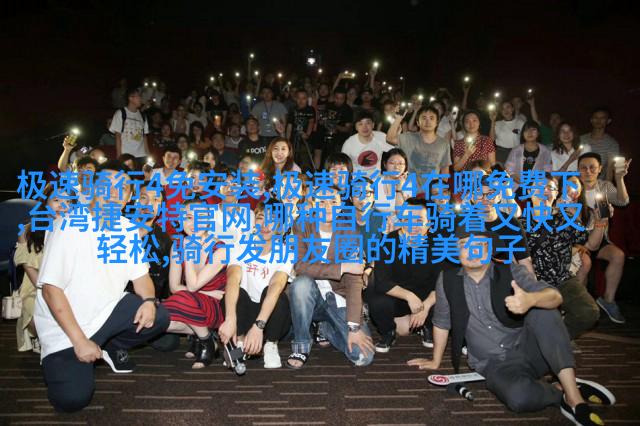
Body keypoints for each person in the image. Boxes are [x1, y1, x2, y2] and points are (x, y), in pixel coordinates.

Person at [408, 227, 615, 425]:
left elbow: (555, 296)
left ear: (489, 249)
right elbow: (442, 322)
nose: (472, 251)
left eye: (479, 244)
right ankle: (558, 390)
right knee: (519, 398)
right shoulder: (447, 280)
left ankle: (574, 397)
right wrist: (435, 360)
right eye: (464, 245)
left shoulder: (511, 271)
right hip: (493, 364)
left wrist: (531, 300)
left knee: (543, 309)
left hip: (533, 351)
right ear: (456, 251)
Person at [34, 160, 169, 412]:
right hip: (65, 328)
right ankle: (74, 351)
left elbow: (141, 278)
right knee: (72, 400)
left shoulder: (127, 230)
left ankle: (109, 344)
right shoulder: (69, 226)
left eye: (123, 188)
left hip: (106, 313)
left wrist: (150, 302)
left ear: (128, 198)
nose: (115, 193)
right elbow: (51, 290)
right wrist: (79, 341)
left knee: (160, 316)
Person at [287, 186, 375, 369]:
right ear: (313, 204)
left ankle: (326, 329)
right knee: (301, 284)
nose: (328, 207)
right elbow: (300, 266)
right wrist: (341, 268)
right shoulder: (301, 226)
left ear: (341, 205)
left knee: (363, 357)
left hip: (338, 297)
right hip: (311, 299)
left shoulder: (350, 232)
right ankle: (302, 345)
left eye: (333, 202)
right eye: (322, 202)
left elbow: (354, 280)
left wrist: (354, 327)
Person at [520, 173, 607, 339]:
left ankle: (557, 339)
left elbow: (592, 245)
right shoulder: (519, 224)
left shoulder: (566, 219)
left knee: (588, 312)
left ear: (556, 194)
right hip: (532, 282)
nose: (545, 191)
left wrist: (601, 221)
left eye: (550, 188)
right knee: (531, 322)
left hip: (562, 280)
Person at [218, 201, 293, 369]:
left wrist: (259, 326)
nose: (265, 225)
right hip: (244, 315)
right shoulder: (241, 245)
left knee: (275, 294)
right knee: (236, 293)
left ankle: (270, 344)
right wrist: (230, 319)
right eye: (260, 218)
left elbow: (276, 286)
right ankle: (239, 342)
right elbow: (232, 279)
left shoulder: (285, 252)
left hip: (270, 317)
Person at [367, 198, 440, 352]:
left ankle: (427, 326)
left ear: (429, 223)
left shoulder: (438, 244)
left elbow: (442, 282)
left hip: (427, 297)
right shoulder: (388, 242)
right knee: (376, 295)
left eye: (419, 220)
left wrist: (425, 307)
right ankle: (388, 332)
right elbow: (382, 281)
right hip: (398, 296)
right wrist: (409, 296)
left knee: (447, 296)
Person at [162, 199, 226, 369]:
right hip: (192, 300)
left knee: (183, 297)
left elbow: (192, 286)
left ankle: (206, 342)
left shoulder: (220, 249)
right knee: (159, 318)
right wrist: (207, 293)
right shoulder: (177, 245)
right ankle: (204, 334)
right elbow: (174, 287)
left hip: (215, 306)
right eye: (189, 217)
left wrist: (189, 250)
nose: (194, 223)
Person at [14, 184, 69, 353]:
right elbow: (30, 269)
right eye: (57, 200)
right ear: (45, 203)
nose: (62, 205)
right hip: (37, 288)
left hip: (69, 286)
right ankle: (41, 337)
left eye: (68, 201)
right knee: (38, 310)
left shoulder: (77, 231)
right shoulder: (28, 231)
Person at [577, 152, 631, 323]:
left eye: (592, 167)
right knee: (584, 263)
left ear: (600, 169)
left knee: (618, 255)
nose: (588, 171)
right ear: (578, 170)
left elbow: (623, 201)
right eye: (583, 168)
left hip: (600, 237)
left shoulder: (604, 186)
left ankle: (608, 300)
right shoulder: (573, 186)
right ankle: (579, 305)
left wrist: (619, 178)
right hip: (578, 239)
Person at [469, 175, 535, 275]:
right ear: (472, 197)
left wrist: (532, 284)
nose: (485, 198)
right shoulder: (463, 224)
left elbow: (525, 262)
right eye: (479, 193)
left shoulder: (511, 224)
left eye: (491, 193)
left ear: (499, 197)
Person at [387, 105, 452, 191]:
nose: (427, 121)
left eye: (431, 118)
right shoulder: (408, 137)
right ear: (417, 122)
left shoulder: (443, 143)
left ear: (437, 122)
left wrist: (441, 189)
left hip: (431, 191)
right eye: (424, 118)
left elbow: (445, 169)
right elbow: (390, 138)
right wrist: (398, 118)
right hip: (408, 190)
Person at [504, 120, 552, 194]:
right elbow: (508, 169)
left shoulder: (545, 151)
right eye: (526, 130)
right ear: (523, 133)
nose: (530, 132)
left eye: (533, 129)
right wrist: (519, 181)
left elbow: (547, 171)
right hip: (517, 186)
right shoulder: (516, 150)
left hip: (537, 189)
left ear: (538, 133)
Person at [341, 110, 393, 176]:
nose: (364, 127)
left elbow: (395, 152)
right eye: (360, 124)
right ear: (356, 127)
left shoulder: (381, 137)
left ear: (373, 125)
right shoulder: (349, 143)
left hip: (377, 177)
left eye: (368, 123)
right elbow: (343, 164)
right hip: (357, 178)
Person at [315, 87, 354, 167]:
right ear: (334, 97)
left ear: (345, 98)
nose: (339, 100)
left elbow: (347, 129)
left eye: (341, 98)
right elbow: (321, 121)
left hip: (338, 141)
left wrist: (335, 126)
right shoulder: (329, 106)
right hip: (325, 137)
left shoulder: (348, 110)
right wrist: (323, 121)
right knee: (322, 160)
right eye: (337, 98)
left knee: (335, 162)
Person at [580, 107, 620, 181]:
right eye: (596, 117)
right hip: (578, 181)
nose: (598, 120)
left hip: (598, 183)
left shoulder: (612, 144)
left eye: (602, 118)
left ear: (608, 121)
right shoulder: (581, 139)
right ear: (591, 120)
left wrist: (607, 186)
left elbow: (609, 169)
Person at [110, 88, 150, 161]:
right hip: (126, 155)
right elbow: (118, 136)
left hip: (141, 155)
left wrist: (148, 155)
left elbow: (144, 136)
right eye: (138, 96)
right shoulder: (120, 113)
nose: (141, 99)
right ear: (130, 98)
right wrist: (119, 156)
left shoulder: (143, 115)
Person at [286, 88, 316, 171]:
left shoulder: (310, 109)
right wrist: (287, 140)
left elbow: (311, 122)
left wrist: (307, 134)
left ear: (307, 99)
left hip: (306, 140)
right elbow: (289, 125)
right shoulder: (292, 109)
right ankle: (293, 177)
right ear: (295, 98)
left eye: (303, 98)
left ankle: (308, 177)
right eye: (299, 98)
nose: (301, 101)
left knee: (305, 162)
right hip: (294, 139)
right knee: (292, 161)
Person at [490, 100, 526, 164]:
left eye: (508, 107)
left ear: (512, 109)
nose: (505, 110)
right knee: (498, 170)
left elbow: (526, 139)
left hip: (515, 152)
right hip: (501, 152)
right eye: (503, 109)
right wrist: (492, 121)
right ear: (501, 112)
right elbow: (492, 139)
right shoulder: (497, 123)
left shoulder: (520, 122)